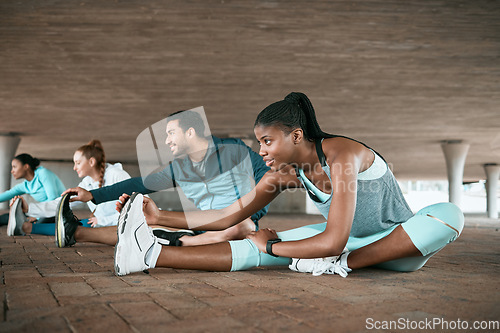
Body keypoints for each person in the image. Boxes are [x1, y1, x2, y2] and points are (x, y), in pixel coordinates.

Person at [113, 92, 464, 277]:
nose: (260, 151)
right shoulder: (282, 174)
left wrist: (274, 249)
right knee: (254, 240)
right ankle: (152, 255)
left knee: (450, 214)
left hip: (397, 246)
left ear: (296, 136)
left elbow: (333, 239)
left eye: (267, 141)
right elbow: (225, 217)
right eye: (258, 143)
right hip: (342, 245)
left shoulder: (344, 155)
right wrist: (160, 217)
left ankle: (342, 265)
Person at [58, 110, 270, 247]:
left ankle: (189, 242)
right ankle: (74, 232)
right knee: (139, 226)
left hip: (240, 223)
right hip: (203, 227)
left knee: (240, 227)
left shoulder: (233, 150)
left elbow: (266, 177)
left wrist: (252, 213)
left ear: (190, 132)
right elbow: (140, 183)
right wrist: (92, 194)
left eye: (171, 133)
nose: (167, 140)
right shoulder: (179, 168)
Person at [9, 140, 131, 246]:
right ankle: (25, 227)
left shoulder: (118, 175)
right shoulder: (86, 183)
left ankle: (26, 227)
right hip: (102, 224)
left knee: (83, 225)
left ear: (91, 162)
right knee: (75, 223)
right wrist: (29, 208)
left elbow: (138, 209)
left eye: (78, 163)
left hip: (123, 226)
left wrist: (102, 220)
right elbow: (62, 203)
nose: (74, 167)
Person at [1, 153, 65, 231]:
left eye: (14, 167)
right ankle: (24, 222)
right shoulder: (25, 185)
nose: (12, 171)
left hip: (57, 210)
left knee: (37, 224)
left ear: (26, 166)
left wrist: (36, 217)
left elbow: (53, 198)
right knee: (4, 218)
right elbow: (7, 194)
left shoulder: (43, 173)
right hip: (41, 212)